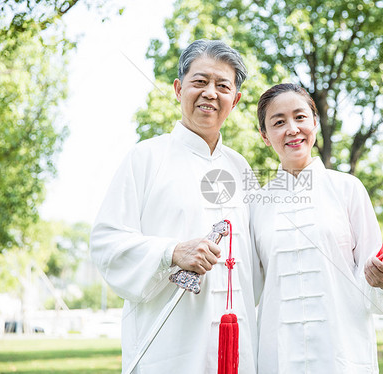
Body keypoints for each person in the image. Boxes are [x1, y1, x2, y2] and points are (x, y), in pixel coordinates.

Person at [90, 40, 260, 373]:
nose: (210, 93)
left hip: (237, 346)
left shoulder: (241, 169)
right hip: (168, 346)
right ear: (178, 89)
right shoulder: (146, 158)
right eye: (200, 82)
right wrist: (172, 252)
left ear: (235, 100)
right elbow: (105, 241)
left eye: (222, 86)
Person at [251, 83, 383, 373]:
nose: (292, 129)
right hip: (278, 356)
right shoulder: (257, 203)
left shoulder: (348, 188)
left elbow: (372, 279)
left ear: (314, 121)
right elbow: (250, 288)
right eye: (279, 122)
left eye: (300, 117)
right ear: (264, 135)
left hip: (341, 353)